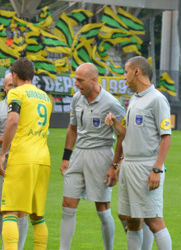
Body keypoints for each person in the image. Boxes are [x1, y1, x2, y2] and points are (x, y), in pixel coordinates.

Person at [105, 56, 172, 250]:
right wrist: (116, 124)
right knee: (131, 220)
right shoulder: (134, 99)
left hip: (146, 165)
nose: (124, 77)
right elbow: (127, 134)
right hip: (129, 165)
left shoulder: (158, 99)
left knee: (154, 220)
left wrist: (157, 169)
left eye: (126, 72)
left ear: (137, 72)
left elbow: (166, 137)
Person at [58, 63, 125, 250]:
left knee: (102, 209)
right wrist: (66, 158)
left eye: (80, 80)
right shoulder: (76, 99)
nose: (76, 83)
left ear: (94, 80)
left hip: (101, 154)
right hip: (78, 154)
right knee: (67, 203)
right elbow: (72, 129)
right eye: (75, 79)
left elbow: (123, 134)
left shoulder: (111, 103)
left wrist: (115, 165)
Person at [0, 57, 53, 250]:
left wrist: (3, 153)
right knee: (38, 216)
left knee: (10, 212)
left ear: (14, 75)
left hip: (22, 157)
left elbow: (12, 121)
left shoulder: (16, 93)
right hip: (43, 158)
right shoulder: (45, 97)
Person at [0, 73, 28, 250]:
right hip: (1, 163)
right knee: (0, 209)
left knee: (21, 209)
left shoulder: (28, 107)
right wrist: (11, 137)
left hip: (23, 161)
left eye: (15, 85)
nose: (13, 88)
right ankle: (7, 244)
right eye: (10, 85)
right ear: (4, 88)